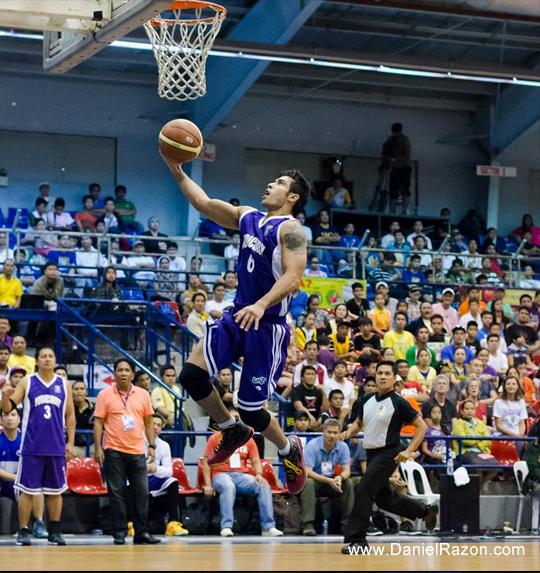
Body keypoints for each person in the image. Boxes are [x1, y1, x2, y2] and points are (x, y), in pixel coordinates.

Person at [162, 154, 310, 494]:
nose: (270, 184)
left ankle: (289, 450)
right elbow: (202, 202)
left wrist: (261, 305)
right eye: (272, 180)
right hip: (238, 315)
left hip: (267, 325)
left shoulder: (291, 229)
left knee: (252, 409)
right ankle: (231, 428)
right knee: (191, 375)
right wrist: (176, 170)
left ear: (292, 198)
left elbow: (294, 276)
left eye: (280, 183)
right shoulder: (248, 216)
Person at [341, 361, 437, 553]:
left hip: (388, 454)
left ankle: (358, 541)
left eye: (387, 374)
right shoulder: (365, 401)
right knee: (384, 499)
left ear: (395, 379)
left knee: (363, 489)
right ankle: (425, 511)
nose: (382, 377)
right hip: (371, 454)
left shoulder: (399, 402)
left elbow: (422, 427)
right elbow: (359, 424)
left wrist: (409, 450)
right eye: (379, 373)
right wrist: (346, 433)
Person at [1, 346, 75, 546]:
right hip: (32, 446)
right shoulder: (28, 381)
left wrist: (70, 442)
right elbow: (9, 408)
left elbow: (70, 415)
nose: (48, 359)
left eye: (51, 356)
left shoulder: (64, 384)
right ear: (37, 361)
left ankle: (55, 531)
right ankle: (24, 530)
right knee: (28, 490)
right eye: (43, 356)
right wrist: (6, 398)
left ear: (55, 359)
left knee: (56, 490)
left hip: (56, 447)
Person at [93, 358, 160, 545]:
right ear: (114, 374)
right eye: (119, 370)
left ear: (132, 374)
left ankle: (141, 533)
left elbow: (148, 422)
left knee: (141, 493)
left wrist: (152, 446)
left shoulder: (143, 395)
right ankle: (120, 532)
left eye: (127, 370)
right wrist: (98, 448)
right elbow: (98, 422)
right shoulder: (105, 394)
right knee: (117, 493)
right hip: (114, 450)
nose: (123, 373)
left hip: (138, 450)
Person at [202, 413, 283, 538]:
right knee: (228, 486)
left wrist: (259, 474)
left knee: (263, 485)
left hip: (241, 476)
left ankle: (268, 527)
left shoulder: (248, 439)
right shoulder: (215, 438)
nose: (236, 419)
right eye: (233, 417)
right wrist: (208, 485)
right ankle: (227, 526)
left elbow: (256, 460)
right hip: (221, 475)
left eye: (238, 417)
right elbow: (206, 462)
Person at [301, 419, 354, 536]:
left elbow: (347, 471)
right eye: (329, 432)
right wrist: (328, 481)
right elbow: (308, 472)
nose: (332, 436)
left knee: (348, 483)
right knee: (308, 482)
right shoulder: (312, 446)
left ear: (340, 433)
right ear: (323, 432)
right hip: (316, 479)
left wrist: (340, 478)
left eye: (335, 433)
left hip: (332, 478)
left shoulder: (343, 447)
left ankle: (347, 524)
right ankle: (308, 524)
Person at [145, 414, 187, 536]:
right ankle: (130, 523)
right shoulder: (136, 440)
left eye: (159, 425)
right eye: (153, 424)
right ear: (146, 425)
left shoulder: (164, 445)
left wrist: (155, 469)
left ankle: (172, 523)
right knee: (127, 483)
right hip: (137, 477)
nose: (156, 427)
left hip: (155, 478)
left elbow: (169, 471)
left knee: (173, 482)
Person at [453, 400, 499, 493]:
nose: (469, 411)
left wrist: (476, 443)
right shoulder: (458, 424)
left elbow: (487, 440)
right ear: (462, 411)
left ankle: (478, 485)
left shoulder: (480, 422)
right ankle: (477, 491)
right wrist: (479, 440)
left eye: (472, 409)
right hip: (464, 452)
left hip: (480, 451)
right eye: (467, 409)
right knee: (477, 468)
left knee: (496, 466)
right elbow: (465, 440)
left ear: (475, 411)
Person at [493, 375, 528, 457]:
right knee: (518, 445)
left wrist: (521, 434)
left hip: (517, 435)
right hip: (502, 434)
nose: (511, 386)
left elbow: (522, 422)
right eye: (508, 384)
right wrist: (515, 436)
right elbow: (498, 426)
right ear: (504, 386)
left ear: (517, 387)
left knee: (528, 446)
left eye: (513, 384)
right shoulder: (498, 402)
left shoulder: (521, 402)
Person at [288, 366, 326, 431]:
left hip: (314, 423)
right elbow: (298, 406)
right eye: (308, 374)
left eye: (313, 374)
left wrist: (324, 393)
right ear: (302, 378)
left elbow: (325, 410)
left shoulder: (318, 391)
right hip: (296, 421)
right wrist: (311, 418)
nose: (311, 376)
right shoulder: (295, 390)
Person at [151, 364, 181, 432]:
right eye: (168, 376)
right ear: (162, 377)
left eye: (173, 376)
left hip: (177, 418)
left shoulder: (177, 389)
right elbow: (159, 407)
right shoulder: (157, 390)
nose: (171, 378)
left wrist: (175, 415)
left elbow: (179, 407)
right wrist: (170, 415)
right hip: (164, 420)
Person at [72, 381, 95, 458]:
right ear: (71, 391)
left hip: (92, 446)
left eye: (82, 389)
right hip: (74, 447)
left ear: (86, 392)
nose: (79, 391)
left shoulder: (95, 408)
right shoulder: (67, 409)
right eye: (76, 389)